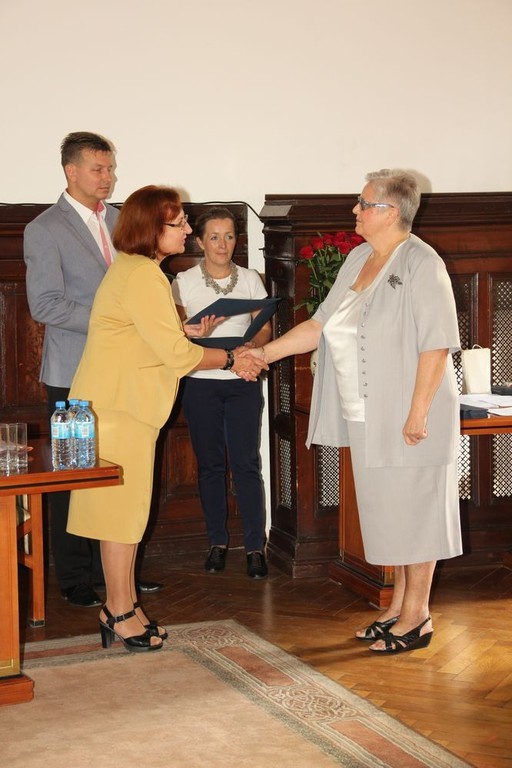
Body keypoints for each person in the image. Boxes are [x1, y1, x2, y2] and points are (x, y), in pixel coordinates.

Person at [242, 169, 463, 653]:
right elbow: (320, 324)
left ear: (391, 211)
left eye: (363, 204)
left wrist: (418, 412)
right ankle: (398, 605)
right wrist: (263, 354)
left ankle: (418, 615)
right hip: (367, 410)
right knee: (391, 510)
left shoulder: (423, 263)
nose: (354, 211)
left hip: (410, 412)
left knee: (417, 510)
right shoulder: (360, 257)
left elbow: (436, 345)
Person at [66, 186, 267, 651]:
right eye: (178, 223)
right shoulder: (144, 276)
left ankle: (124, 604)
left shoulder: (136, 270)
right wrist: (233, 357)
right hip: (120, 410)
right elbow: (177, 356)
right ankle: (119, 611)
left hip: (118, 406)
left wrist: (182, 329)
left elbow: (146, 334)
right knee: (121, 516)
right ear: (153, 230)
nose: (187, 230)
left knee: (127, 512)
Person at [23, 131, 162, 607]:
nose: (109, 177)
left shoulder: (122, 220)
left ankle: (117, 578)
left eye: (111, 169)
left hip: (125, 374)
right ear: (71, 171)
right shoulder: (44, 229)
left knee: (118, 474)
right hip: (73, 372)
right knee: (74, 476)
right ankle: (74, 578)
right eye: (99, 169)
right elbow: (45, 304)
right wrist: (112, 321)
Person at [172, 206, 271, 579]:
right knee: (210, 465)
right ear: (199, 241)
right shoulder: (182, 282)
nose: (222, 244)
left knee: (246, 463)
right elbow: (173, 333)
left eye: (229, 236)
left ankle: (255, 547)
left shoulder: (250, 279)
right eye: (214, 237)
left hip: (243, 381)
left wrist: (252, 347)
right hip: (200, 382)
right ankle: (217, 542)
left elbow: (264, 326)